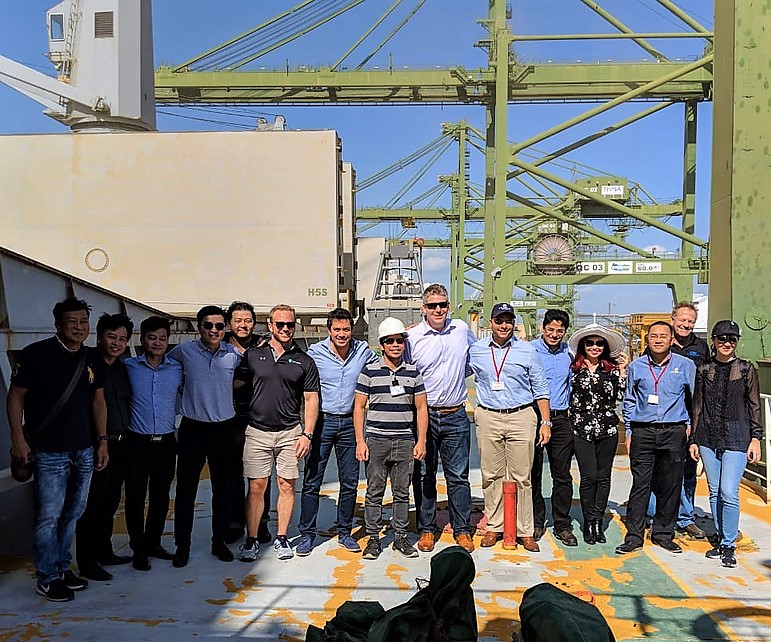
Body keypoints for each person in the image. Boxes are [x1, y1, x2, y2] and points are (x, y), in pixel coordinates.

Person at [7, 297, 108, 602]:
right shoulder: (35, 355)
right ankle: (47, 576)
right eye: (72, 322)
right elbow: (15, 397)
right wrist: (17, 438)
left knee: (74, 512)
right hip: (50, 451)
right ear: (58, 325)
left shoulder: (91, 358)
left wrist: (102, 442)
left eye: (83, 322)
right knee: (48, 517)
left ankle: (63, 567)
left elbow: (98, 401)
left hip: (84, 449)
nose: (79, 327)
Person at [236, 304, 320, 562]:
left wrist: (306, 434)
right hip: (257, 431)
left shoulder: (304, 360)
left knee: (287, 485)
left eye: (290, 324)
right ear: (270, 326)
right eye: (280, 324)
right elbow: (236, 387)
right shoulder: (253, 355)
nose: (285, 329)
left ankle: (282, 537)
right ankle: (251, 540)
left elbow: (312, 399)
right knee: (256, 487)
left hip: (290, 433)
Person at [468, 303, 551, 552]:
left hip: (521, 416)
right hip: (488, 416)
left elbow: (541, 388)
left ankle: (524, 530)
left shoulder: (527, 351)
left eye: (508, 321)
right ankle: (494, 525)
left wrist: (545, 422)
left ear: (513, 324)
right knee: (491, 474)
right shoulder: (477, 350)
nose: (504, 325)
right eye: (499, 320)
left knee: (522, 477)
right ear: (490, 323)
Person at [297, 308, 378, 556]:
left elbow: (383, 366)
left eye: (346, 329)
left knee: (350, 481)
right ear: (328, 330)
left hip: (350, 425)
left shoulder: (363, 351)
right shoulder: (315, 353)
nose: (342, 334)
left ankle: (345, 531)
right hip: (322, 422)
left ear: (351, 330)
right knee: (312, 480)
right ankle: (307, 534)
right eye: (337, 330)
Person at [169, 305, 242, 568]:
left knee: (223, 489)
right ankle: (182, 545)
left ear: (226, 328)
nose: (214, 330)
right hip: (193, 428)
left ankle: (219, 541)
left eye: (219, 326)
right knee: (186, 490)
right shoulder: (184, 352)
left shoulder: (233, 355)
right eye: (208, 325)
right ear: (198, 327)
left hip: (224, 428)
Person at [406, 284, 476, 554]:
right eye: (432, 305)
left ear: (449, 306)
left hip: (455, 413)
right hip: (424, 416)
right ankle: (426, 529)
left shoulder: (461, 330)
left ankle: (462, 529)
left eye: (442, 305)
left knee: (458, 476)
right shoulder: (413, 338)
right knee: (424, 475)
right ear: (424, 308)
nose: (438, 310)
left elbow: (473, 361)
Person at [616, 321, 696, 555]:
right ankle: (634, 535)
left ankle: (663, 533)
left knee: (671, 485)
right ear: (647, 339)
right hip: (643, 431)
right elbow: (629, 401)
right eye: (653, 336)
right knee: (640, 484)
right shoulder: (637, 367)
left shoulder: (685, 365)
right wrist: (629, 430)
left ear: (672, 339)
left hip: (673, 431)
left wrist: (689, 426)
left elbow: (693, 400)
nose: (658, 340)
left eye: (663, 336)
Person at [690, 320, 763, 568]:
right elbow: (697, 406)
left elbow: (754, 405)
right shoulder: (704, 370)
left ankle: (729, 543)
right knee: (714, 490)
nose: (727, 343)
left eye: (732, 339)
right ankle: (721, 538)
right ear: (713, 340)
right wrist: (694, 440)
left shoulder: (745, 369)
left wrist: (756, 438)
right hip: (708, 437)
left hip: (737, 436)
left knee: (729, 491)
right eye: (722, 338)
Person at [355, 317, 428, 560]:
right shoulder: (369, 372)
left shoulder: (413, 373)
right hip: (376, 440)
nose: (396, 345)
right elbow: (359, 407)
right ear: (382, 344)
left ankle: (400, 537)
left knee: (401, 492)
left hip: (404, 441)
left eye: (400, 340)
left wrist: (421, 441)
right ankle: (374, 539)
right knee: (374, 491)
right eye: (390, 341)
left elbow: (421, 408)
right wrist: (360, 441)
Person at [76, 313, 134, 581]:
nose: (117, 343)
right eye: (112, 337)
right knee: (92, 504)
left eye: (122, 339)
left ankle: (104, 550)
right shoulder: (87, 364)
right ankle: (87, 561)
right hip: (98, 445)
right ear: (99, 338)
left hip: (122, 444)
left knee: (111, 501)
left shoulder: (123, 367)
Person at [123, 316, 183, 571]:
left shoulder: (177, 368)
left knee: (161, 496)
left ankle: (154, 542)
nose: (157, 343)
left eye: (162, 338)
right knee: (135, 496)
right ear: (141, 338)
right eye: (152, 337)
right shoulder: (128, 367)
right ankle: (138, 548)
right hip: (137, 441)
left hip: (167, 441)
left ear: (168, 341)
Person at [567, 323, 627, 545]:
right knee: (589, 476)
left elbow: (619, 397)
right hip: (582, 429)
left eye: (599, 343)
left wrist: (622, 371)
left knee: (604, 477)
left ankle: (596, 522)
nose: (594, 347)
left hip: (608, 429)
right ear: (583, 346)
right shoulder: (573, 369)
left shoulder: (610, 371)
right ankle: (587, 519)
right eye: (590, 343)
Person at [223, 301, 272, 546]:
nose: (243, 325)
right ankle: (234, 523)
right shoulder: (219, 347)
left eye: (248, 320)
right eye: (238, 320)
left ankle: (261, 522)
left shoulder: (263, 346)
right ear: (229, 323)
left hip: (258, 417)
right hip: (229, 420)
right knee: (231, 473)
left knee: (262, 474)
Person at [664, 301, 710, 539]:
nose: (686, 325)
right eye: (682, 320)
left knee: (688, 469)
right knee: (662, 469)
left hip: (692, 417)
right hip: (665, 418)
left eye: (690, 321)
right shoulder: (661, 342)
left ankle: (686, 517)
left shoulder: (700, 347)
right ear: (673, 319)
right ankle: (660, 515)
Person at [531, 309, 575, 545]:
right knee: (533, 472)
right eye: (550, 330)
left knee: (562, 475)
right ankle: (537, 522)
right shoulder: (530, 351)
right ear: (543, 328)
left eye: (559, 331)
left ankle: (562, 524)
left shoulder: (569, 353)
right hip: (533, 417)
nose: (554, 334)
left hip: (560, 418)